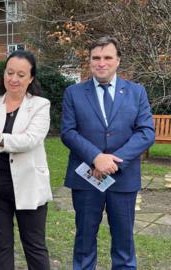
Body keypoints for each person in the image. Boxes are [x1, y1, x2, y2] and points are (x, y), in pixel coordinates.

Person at [60, 36, 155, 269]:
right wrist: (96, 157)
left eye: (107, 57)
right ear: (90, 61)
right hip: (86, 178)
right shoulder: (74, 93)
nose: (101, 63)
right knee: (84, 242)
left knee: (124, 244)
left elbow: (146, 132)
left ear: (118, 61)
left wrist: (113, 162)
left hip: (123, 180)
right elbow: (68, 132)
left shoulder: (136, 92)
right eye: (96, 58)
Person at [0, 50, 52, 270]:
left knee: (34, 246)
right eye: (10, 72)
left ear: (31, 78)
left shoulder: (41, 105)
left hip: (28, 185)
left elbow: (30, 140)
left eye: (21, 75)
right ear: (4, 73)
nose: (13, 79)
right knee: (0, 246)